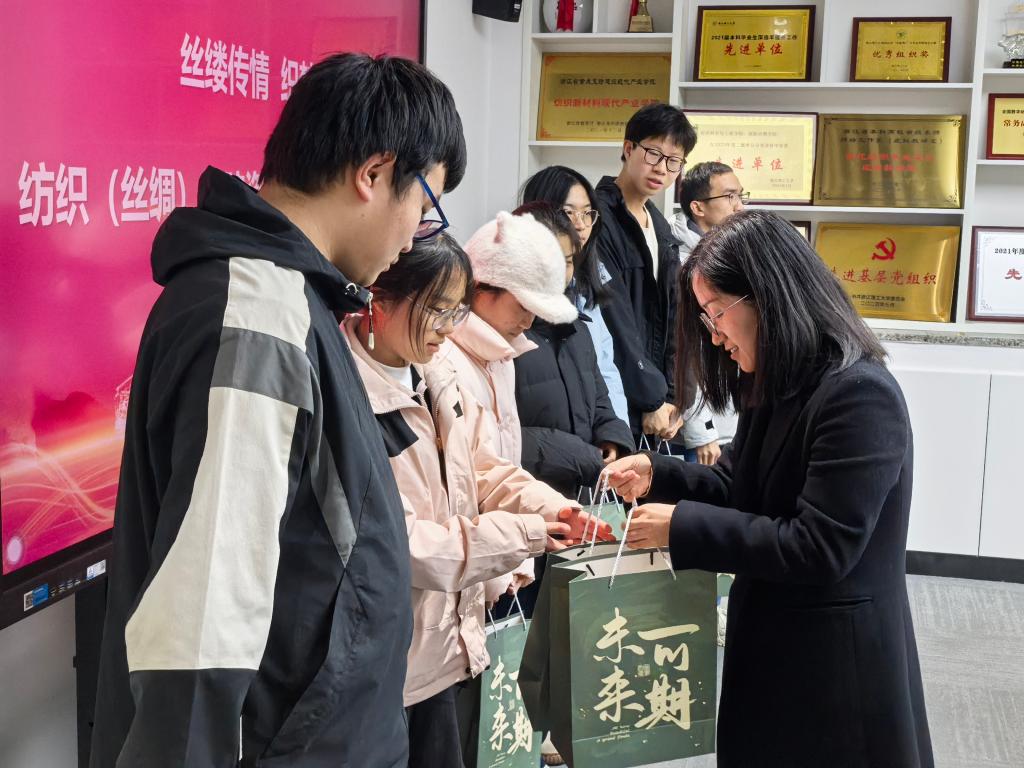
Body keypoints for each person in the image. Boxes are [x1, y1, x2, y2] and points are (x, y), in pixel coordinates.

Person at [89, 54, 467, 768]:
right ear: (373, 173)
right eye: (424, 209)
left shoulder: (292, 300)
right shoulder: (261, 314)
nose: (413, 237)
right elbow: (203, 626)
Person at [605, 210, 934, 768]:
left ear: (767, 296)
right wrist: (660, 475)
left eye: (716, 313)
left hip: (836, 665)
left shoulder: (858, 394)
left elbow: (819, 547)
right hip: (775, 642)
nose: (714, 334)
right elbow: (741, 484)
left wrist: (682, 527)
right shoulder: (780, 379)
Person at [341, 233, 610, 768]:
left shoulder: (436, 372)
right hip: (382, 655)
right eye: (437, 310)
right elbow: (403, 542)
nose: (449, 328)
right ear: (380, 296)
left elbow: (481, 467)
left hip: (444, 642)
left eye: (455, 311)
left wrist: (550, 508)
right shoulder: (349, 389)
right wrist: (527, 534)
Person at [446, 209, 582, 606]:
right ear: (480, 286)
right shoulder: (445, 360)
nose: (528, 319)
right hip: (461, 563)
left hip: (495, 557)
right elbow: (474, 478)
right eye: (521, 303)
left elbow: (500, 469)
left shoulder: (502, 355)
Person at [511, 201, 634, 498]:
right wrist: (581, 455)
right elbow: (496, 436)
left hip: (581, 494)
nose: (559, 272)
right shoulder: (505, 334)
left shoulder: (577, 329)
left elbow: (600, 400)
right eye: (546, 261)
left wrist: (612, 438)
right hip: (524, 498)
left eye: (566, 261)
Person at [592, 103, 697, 444]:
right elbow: (613, 315)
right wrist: (651, 398)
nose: (662, 169)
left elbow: (676, 317)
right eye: (654, 154)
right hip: (614, 400)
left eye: (674, 161)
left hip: (655, 407)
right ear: (628, 148)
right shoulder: (597, 218)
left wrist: (672, 397)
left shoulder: (661, 227)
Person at [520, 165, 628, 423]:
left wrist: (619, 432)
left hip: (598, 430)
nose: (580, 225)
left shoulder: (589, 278)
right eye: (569, 212)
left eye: (587, 213)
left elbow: (605, 368)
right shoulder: (521, 290)